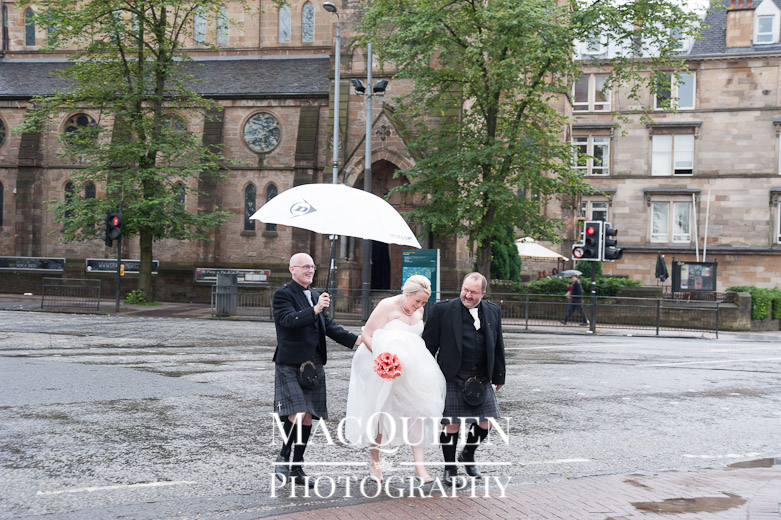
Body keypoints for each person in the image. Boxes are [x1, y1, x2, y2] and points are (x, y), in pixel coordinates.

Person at [345, 275, 446, 484]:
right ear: (406, 293)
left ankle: (420, 468)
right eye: (417, 301)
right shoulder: (386, 306)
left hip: (411, 369)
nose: (419, 306)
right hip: (381, 365)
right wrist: (383, 358)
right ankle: (375, 461)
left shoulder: (419, 310)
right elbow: (367, 334)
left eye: (423, 302)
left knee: (419, 411)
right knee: (379, 412)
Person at [272, 252, 361, 487]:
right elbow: (288, 321)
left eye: (312, 266)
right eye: (304, 267)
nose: (310, 270)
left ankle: (297, 467)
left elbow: (328, 326)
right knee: (298, 411)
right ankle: (283, 457)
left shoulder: (314, 295)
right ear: (292, 269)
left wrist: (356, 340)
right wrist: (314, 309)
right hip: (290, 363)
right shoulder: (283, 294)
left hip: (313, 364)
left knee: (308, 416)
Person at [422, 272, 506, 486]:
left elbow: (498, 344)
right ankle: (450, 469)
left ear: (483, 293)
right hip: (452, 375)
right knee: (452, 424)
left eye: (473, 292)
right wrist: (426, 376)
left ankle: (468, 454)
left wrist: (499, 375)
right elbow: (428, 345)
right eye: (465, 290)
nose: (468, 295)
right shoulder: (442, 310)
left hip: (480, 376)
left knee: (487, 422)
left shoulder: (493, 310)